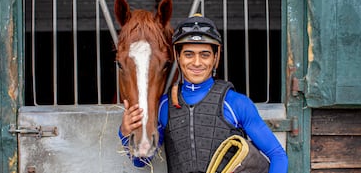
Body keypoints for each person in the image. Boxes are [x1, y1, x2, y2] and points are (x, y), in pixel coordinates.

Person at [119, 15, 288, 173]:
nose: (197, 62)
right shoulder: (165, 106)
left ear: (216, 57)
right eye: (189, 54)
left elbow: (277, 156)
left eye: (205, 55)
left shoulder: (236, 103)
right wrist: (125, 132)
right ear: (178, 57)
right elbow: (141, 161)